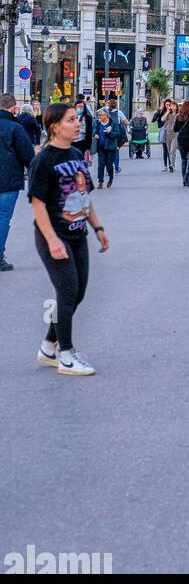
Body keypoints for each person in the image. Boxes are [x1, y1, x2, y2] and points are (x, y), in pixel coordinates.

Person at [29, 101, 108, 376]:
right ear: (54, 126)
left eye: (77, 119)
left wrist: (98, 229)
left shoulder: (76, 153)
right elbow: (37, 204)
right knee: (67, 291)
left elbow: (84, 197)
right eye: (71, 120)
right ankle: (66, 355)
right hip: (53, 235)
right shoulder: (43, 160)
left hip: (78, 234)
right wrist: (52, 240)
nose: (77, 124)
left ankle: (49, 346)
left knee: (79, 292)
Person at [0, 90, 36, 272]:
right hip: (7, 181)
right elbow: (28, 156)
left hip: (8, 180)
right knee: (3, 218)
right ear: (13, 108)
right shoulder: (15, 128)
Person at [94, 109, 120, 188]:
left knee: (109, 165)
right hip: (101, 147)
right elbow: (94, 131)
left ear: (106, 115)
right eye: (98, 115)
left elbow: (118, 133)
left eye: (100, 115)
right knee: (101, 165)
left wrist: (110, 133)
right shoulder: (98, 124)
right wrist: (95, 134)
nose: (99, 117)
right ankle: (100, 181)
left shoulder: (113, 123)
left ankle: (111, 179)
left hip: (110, 147)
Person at [153, 99, 179, 172]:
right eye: (171, 105)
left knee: (172, 150)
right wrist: (167, 111)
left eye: (174, 105)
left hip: (175, 134)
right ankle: (170, 165)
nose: (172, 107)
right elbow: (162, 119)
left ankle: (172, 165)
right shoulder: (168, 114)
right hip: (167, 134)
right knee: (168, 150)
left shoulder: (178, 115)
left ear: (176, 107)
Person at [73, 95, 93, 160]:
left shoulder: (87, 118)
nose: (80, 108)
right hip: (71, 142)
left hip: (82, 142)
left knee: (80, 159)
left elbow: (89, 132)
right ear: (75, 107)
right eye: (78, 106)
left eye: (82, 107)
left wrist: (88, 148)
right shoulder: (70, 116)